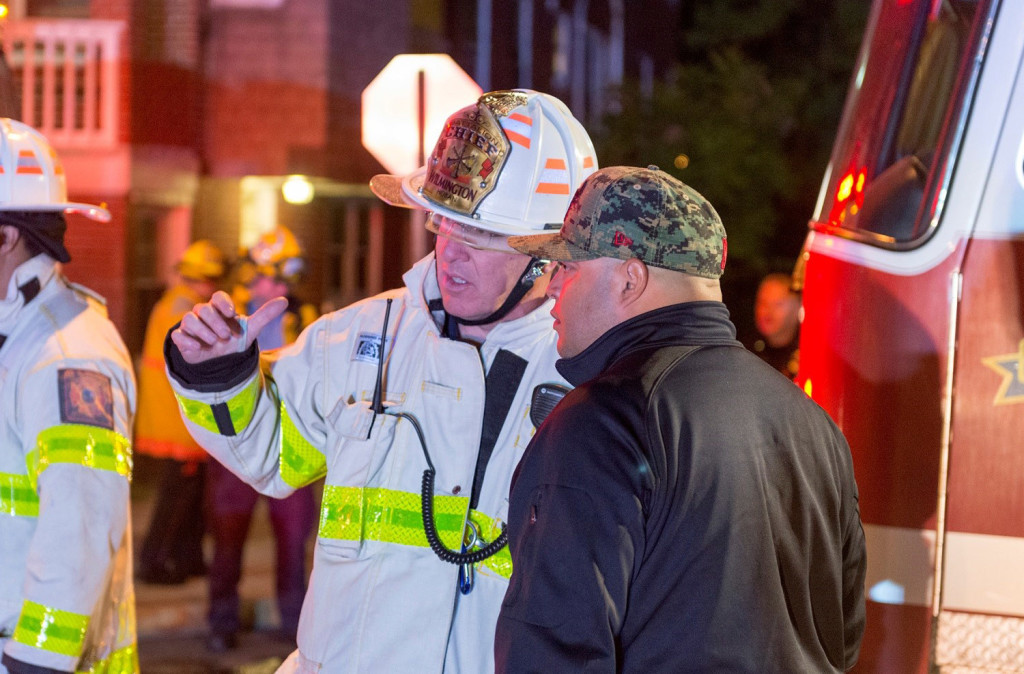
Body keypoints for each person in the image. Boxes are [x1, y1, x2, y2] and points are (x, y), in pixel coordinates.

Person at [163, 89, 598, 672]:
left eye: (482, 236)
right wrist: (216, 374)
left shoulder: (587, 373)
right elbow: (269, 453)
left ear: (546, 252)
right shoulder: (358, 334)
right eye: (442, 223)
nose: (450, 252)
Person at [495, 165, 867, 672]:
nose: (550, 286)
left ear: (630, 278)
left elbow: (553, 652)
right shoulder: (815, 427)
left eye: (568, 266)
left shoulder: (601, 424)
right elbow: (839, 640)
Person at [0, 118, 138, 673]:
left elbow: (77, 530)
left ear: (5, 236)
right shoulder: (18, 335)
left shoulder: (68, 354)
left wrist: (33, 664)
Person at [203, 226, 318, 652]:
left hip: (291, 444)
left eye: (286, 278)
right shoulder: (225, 315)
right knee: (227, 541)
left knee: (293, 543)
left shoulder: (305, 317)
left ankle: (295, 630)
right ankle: (221, 623)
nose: (279, 286)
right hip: (235, 444)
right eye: (274, 276)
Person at [136, 239, 226, 586]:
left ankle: (187, 558)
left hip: (177, 420)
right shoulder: (182, 309)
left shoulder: (178, 304)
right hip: (177, 423)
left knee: (190, 497)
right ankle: (154, 562)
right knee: (175, 498)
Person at [751, 271, 801, 379]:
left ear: (798, 308)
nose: (767, 312)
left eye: (778, 304)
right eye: (763, 303)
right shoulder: (746, 352)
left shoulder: (808, 357)